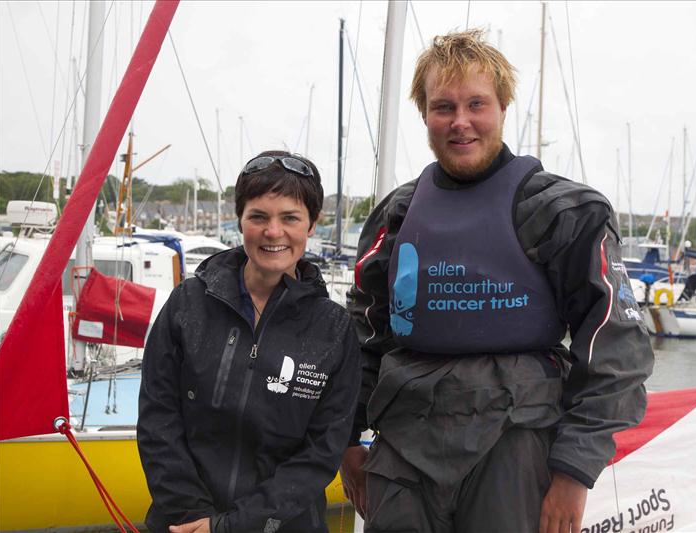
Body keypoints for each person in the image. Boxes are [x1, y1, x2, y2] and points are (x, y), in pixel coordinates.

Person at [340, 30, 653, 533]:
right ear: (424, 114)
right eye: (443, 107)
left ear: (503, 106)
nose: (460, 122)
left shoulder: (562, 212)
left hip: (514, 443)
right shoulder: (395, 217)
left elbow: (616, 349)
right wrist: (350, 438)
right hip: (404, 448)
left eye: (476, 104)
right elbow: (364, 335)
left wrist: (574, 471)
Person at [138, 151, 361, 533]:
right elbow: (158, 419)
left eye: (290, 217)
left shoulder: (334, 330)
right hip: (183, 524)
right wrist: (193, 515)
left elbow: (320, 454)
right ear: (240, 220)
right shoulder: (187, 305)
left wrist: (230, 526)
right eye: (258, 216)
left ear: (312, 224)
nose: (273, 232)